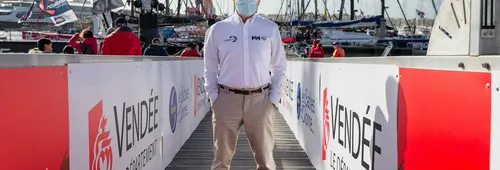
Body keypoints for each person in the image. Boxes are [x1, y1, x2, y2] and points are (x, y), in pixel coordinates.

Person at [203, 0, 286, 169]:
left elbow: (279, 66)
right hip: (226, 100)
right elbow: (209, 68)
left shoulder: (270, 28)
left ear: (259, 1)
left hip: (260, 100)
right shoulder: (218, 29)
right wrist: (214, 98)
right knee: (220, 161)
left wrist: (274, 98)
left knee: (266, 161)